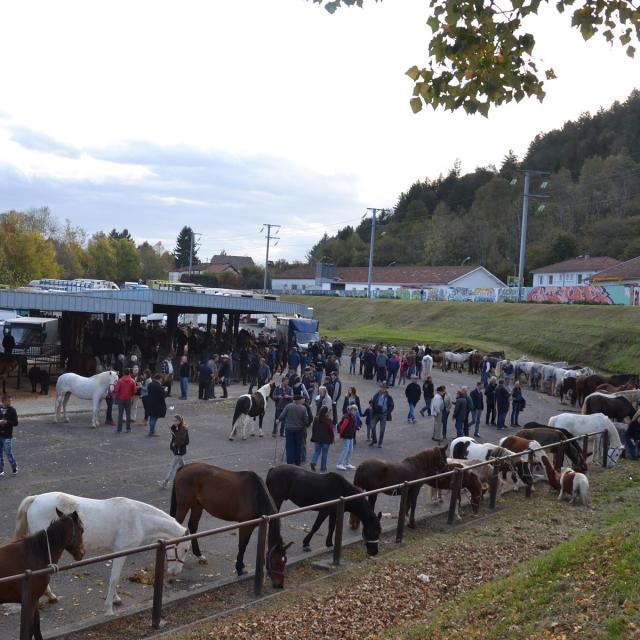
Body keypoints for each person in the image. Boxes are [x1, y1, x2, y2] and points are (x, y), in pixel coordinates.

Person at [277, 393, 310, 465]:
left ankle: (290, 461)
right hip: (299, 429)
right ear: (299, 400)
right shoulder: (303, 408)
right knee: (298, 446)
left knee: (289, 445)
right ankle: (297, 461)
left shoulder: (288, 406)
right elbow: (306, 420)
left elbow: (282, 416)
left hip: (289, 429)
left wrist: (278, 420)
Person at [158, 415, 189, 489]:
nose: (174, 422)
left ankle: (164, 482)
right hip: (176, 450)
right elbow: (174, 438)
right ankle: (188, 479)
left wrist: (177, 443)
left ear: (180, 421)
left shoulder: (183, 430)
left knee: (171, 467)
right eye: (173, 420)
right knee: (183, 467)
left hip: (179, 451)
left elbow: (186, 441)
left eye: (176, 421)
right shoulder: (176, 428)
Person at [369, 383, 394, 448]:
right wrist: (371, 403)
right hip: (376, 413)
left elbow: (391, 406)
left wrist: (388, 412)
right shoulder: (376, 395)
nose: (383, 389)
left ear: (386, 389)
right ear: (380, 388)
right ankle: (374, 440)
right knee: (372, 426)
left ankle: (380, 443)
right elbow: (373, 402)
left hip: (383, 414)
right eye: (382, 387)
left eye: (384, 388)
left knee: (382, 429)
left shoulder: (389, 397)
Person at [310, 405, 335, 472]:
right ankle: (323, 467)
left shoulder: (316, 419)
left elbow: (313, 428)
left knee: (317, 451)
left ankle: (313, 461)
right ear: (326, 412)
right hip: (326, 439)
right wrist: (332, 438)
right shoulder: (328, 420)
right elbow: (331, 431)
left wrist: (314, 436)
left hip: (317, 438)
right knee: (324, 453)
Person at [114, 368, 137, 433]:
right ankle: (128, 429)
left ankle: (119, 429)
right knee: (128, 414)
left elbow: (116, 390)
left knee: (120, 415)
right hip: (129, 399)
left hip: (121, 399)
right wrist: (131, 395)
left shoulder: (120, 380)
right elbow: (134, 391)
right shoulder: (132, 381)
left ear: (124, 373)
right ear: (130, 373)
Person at [0, 394, 18, 476]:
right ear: (3, 401)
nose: (10, 402)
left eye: (11, 401)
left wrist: (7, 422)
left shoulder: (12, 410)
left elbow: (15, 423)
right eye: (8, 401)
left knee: (8, 453)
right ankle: (1, 469)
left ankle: (14, 467)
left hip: (7, 435)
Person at [336, 405, 358, 470]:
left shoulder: (352, 417)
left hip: (350, 435)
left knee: (350, 449)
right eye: (354, 410)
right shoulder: (347, 417)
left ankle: (347, 463)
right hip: (347, 435)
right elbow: (342, 427)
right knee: (346, 449)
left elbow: (352, 426)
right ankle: (339, 464)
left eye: (355, 410)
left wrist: (356, 428)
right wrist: (341, 434)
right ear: (350, 410)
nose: (355, 411)